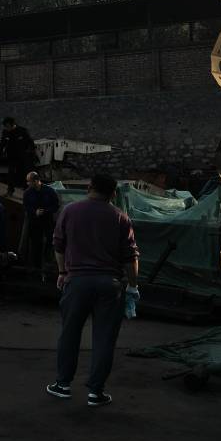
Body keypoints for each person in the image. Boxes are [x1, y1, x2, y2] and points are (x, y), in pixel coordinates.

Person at [47, 173, 140, 408]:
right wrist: (133, 286)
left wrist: (62, 272)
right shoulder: (120, 217)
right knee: (104, 338)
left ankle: (63, 385)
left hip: (77, 282)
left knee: (70, 333)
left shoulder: (69, 211)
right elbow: (131, 258)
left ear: (89, 188)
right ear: (113, 193)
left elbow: (58, 245)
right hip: (110, 285)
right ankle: (95, 392)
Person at [21, 170, 60, 281]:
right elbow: (26, 207)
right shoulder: (27, 193)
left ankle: (48, 269)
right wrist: (35, 212)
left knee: (49, 244)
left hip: (47, 221)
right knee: (35, 245)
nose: (27, 183)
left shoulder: (49, 191)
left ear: (36, 181)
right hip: (34, 223)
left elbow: (56, 205)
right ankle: (36, 269)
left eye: (29, 181)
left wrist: (46, 211)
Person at [0, 117, 35, 195]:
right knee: (11, 173)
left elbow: (30, 142)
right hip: (11, 156)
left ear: (12, 124)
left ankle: (26, 191)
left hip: (22, 156)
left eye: (7, 126)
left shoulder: (22, 131)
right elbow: (2, 144)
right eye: (5, 126)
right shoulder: (5, 132)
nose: (6, 128)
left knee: (24, 173)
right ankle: (10, 190)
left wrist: (30, 152)